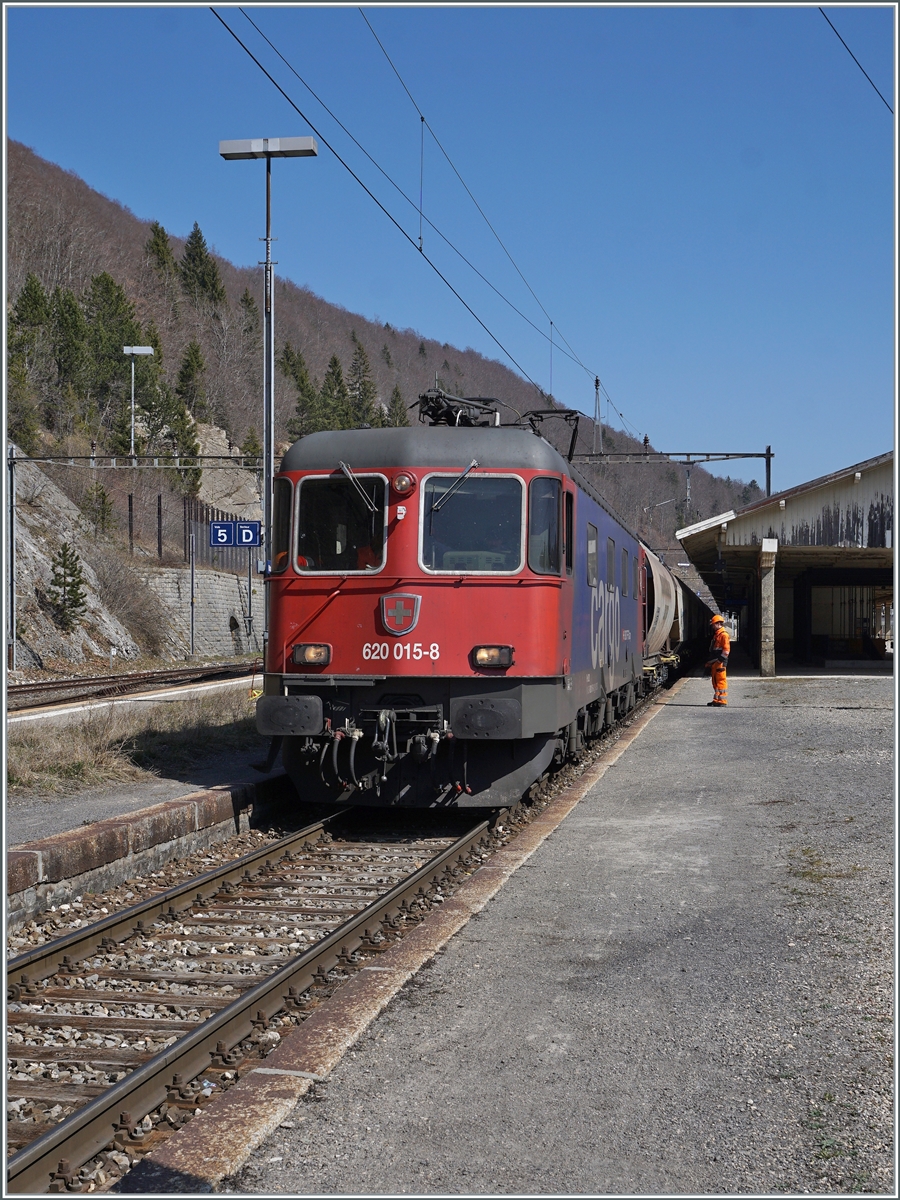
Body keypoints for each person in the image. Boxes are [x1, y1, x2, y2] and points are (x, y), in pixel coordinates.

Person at [705, 614, 730, 707]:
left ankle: (722, 701)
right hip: (716, 661)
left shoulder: (724, 635)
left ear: (718, 623)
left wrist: (720, 661)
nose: (712, 626)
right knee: (715, 681)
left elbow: (726, 650)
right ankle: (716, 699)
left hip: (720, 661)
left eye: (713, 624)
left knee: (721, 681)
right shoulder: (718, 634)